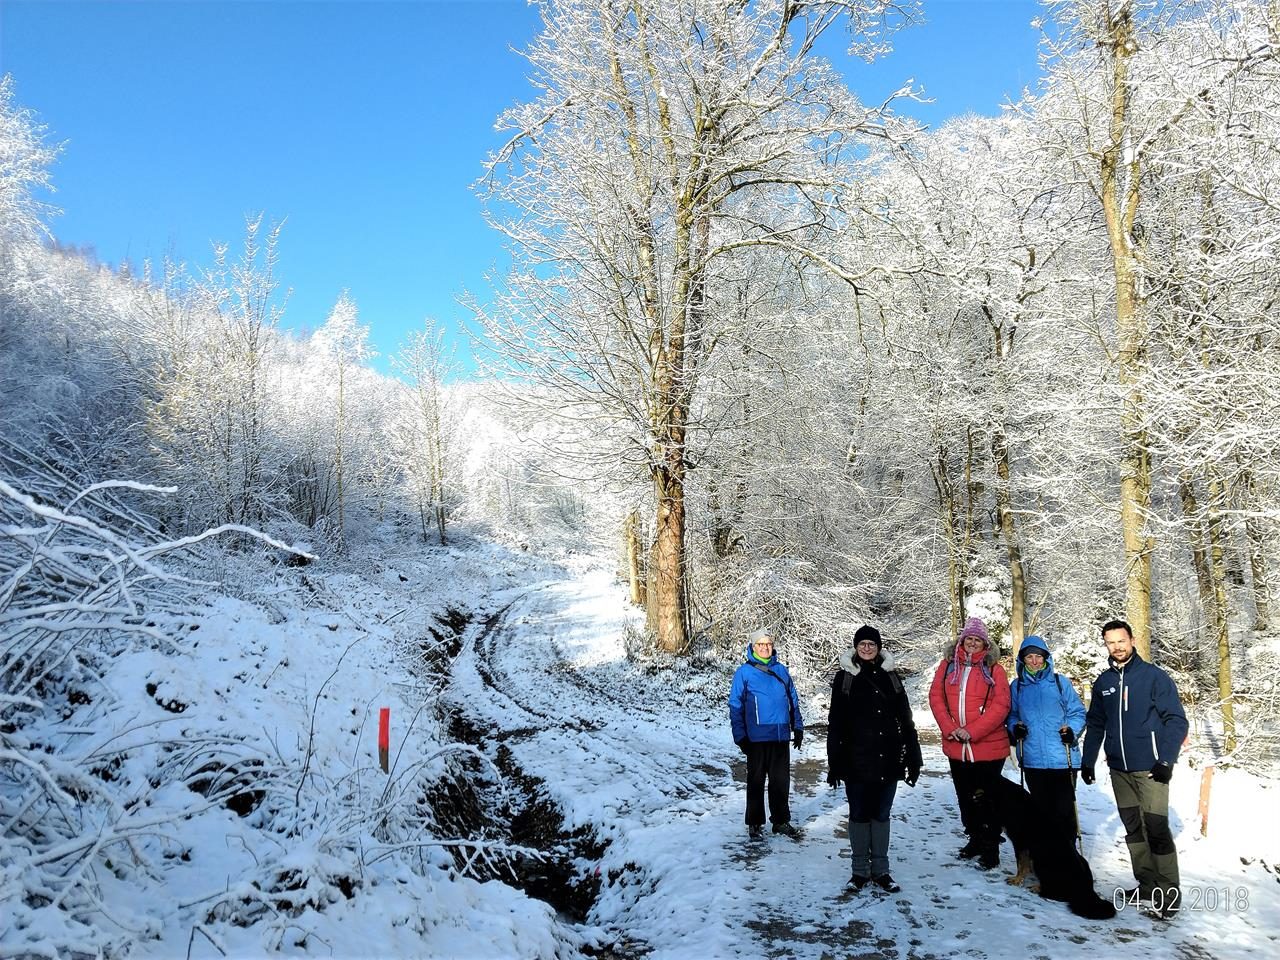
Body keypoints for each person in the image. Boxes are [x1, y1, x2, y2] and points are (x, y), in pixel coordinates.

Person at [1081, 619, 1189, 919]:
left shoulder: (1154, 678)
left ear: (1132, 640)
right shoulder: (1103, 683)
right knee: (1133, 828)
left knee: (1156, 828)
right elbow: (1096, 724)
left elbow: (1176, 720)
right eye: (1110, 642)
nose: (1116, 647)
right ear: (1106, 644)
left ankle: (1168, 893)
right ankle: (1146, 884)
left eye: (1121, 640)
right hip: (1119, 769)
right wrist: (1088, 760)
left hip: (1152, 769)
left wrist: (1166, 759)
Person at [827, 624, 922, 892]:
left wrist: (913, 754)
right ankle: (859, 872)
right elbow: (835, 722)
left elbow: (906, 717)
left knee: (881, 814)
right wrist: (834, 760)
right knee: (858, 814)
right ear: (856, 648)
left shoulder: (891, 677)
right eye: (862, 644)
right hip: (855, 759)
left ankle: (881, 870)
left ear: (879, 648)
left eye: (871, 644)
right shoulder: (844, 678)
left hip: (888, 757)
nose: (867, 648)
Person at [928, 616, 1011, 870]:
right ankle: (974, 840)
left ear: (985, 643)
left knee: (987, 800)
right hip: (956, 746)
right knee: (965, 797)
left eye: (978, 640)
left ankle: (990, 848)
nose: (973, 643)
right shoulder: (948, 665)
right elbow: (936, 697)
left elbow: (1001, 705)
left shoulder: (994, 668)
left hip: (988, 748)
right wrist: (950, 728)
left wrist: (972, 731)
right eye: (969, 639)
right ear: (961, 641)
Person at [1006, 635, 1087, 852]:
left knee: (1064, 813)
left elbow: (1077, 712)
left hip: (1063, 759)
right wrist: (1015, 728)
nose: (1034, 661)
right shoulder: (1017, 687)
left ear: (1046, 658)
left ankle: (1068, 860)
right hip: (1033, 760)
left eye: (1038, 656)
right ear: (1022, 660)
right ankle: (1046, 858)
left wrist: (1071, 729)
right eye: (1029, 657)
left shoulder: (1061, 683)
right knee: (1041, 813)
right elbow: (1011, 715)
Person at [729, 627, 804, 839]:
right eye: (760, 644)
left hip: (780, 736)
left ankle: (780, 821)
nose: (764, 648)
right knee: (756, 782)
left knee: (780, 782)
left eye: (768, 644)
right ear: (753, 647)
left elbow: (793, 702)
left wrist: (797, 727)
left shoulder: (781, 670)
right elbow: (735, 706)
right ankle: (754, 823)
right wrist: (740, 736)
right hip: (756, 738)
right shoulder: (744, 673)